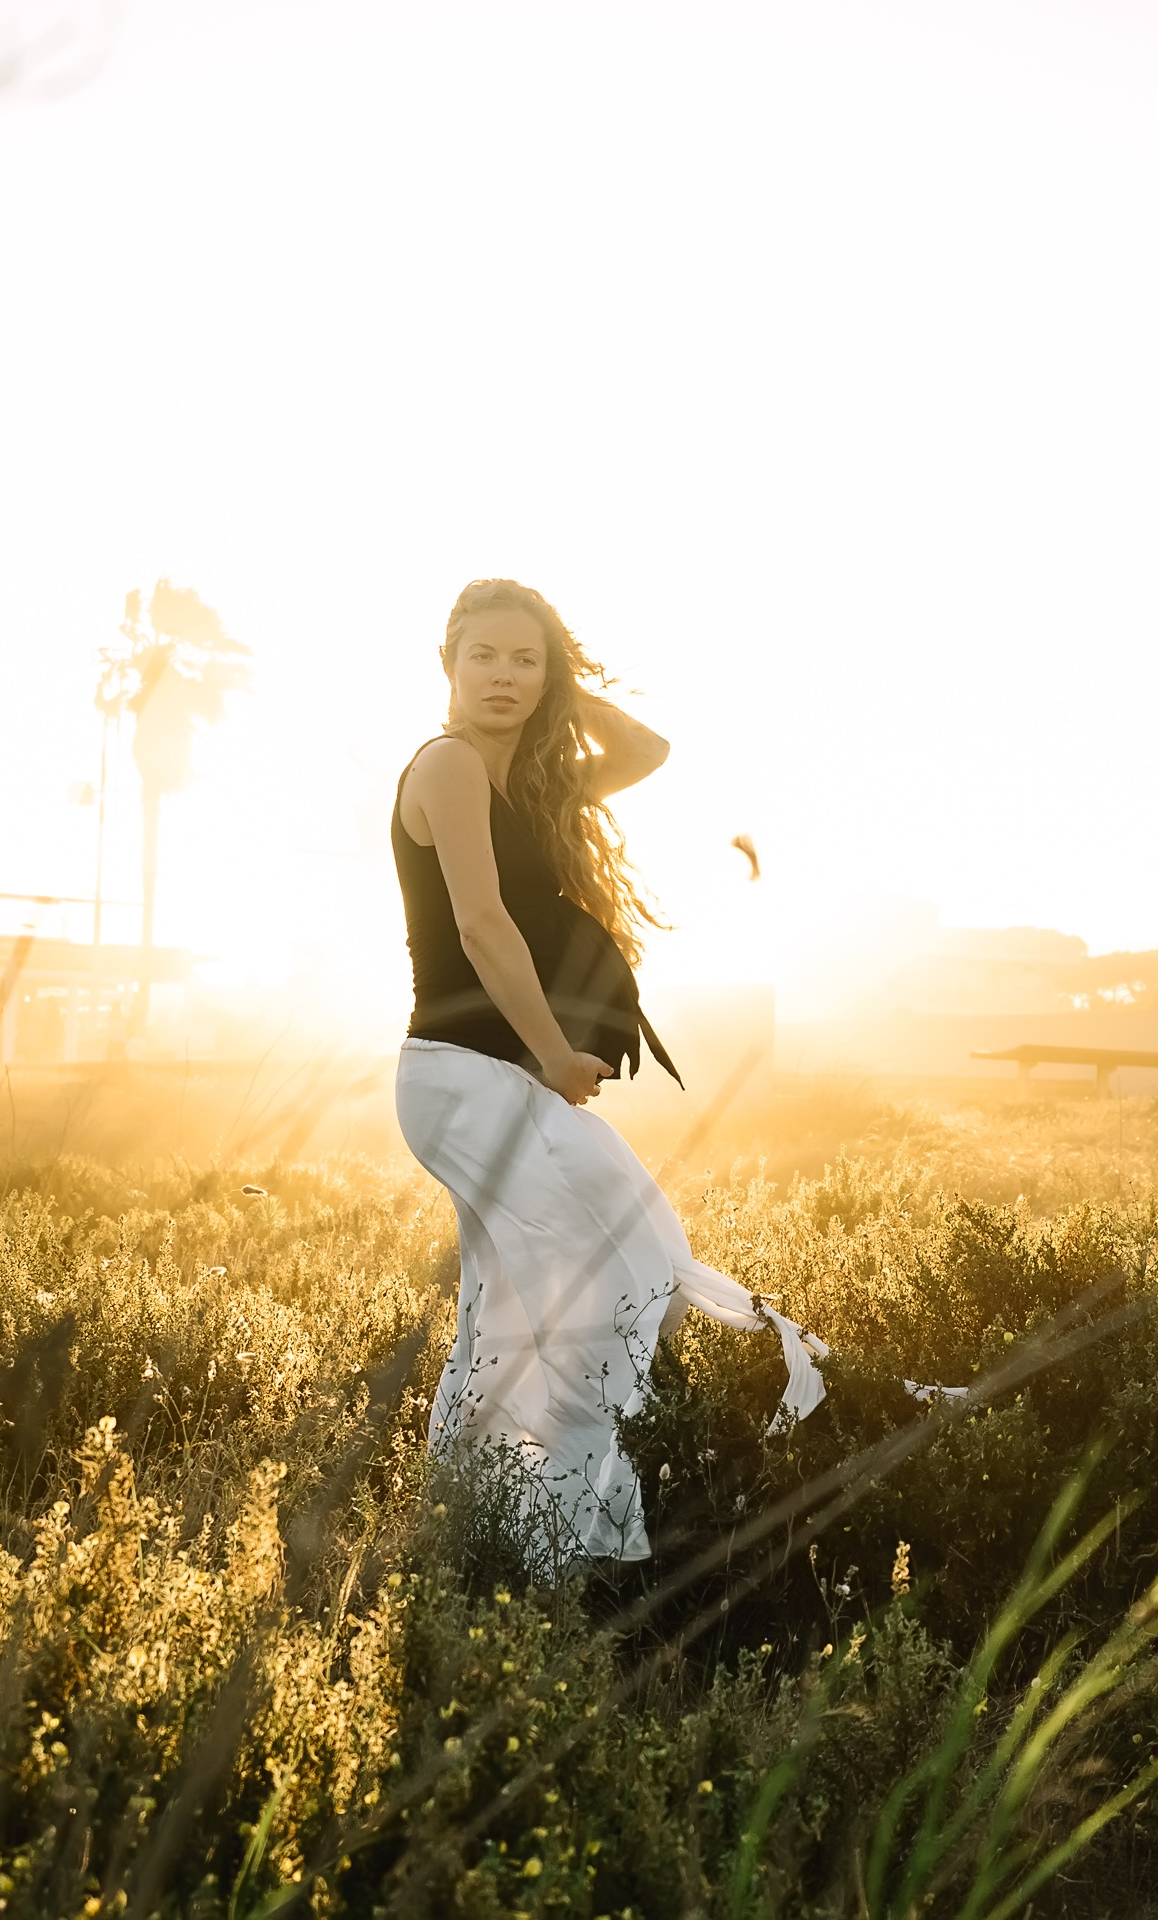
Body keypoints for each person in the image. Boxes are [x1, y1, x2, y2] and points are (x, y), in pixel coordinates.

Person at [392, 578, 831, 1564]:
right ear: (446, 666)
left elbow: (644, 752)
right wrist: (554, 1053)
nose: (502, 676)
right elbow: (480, 923)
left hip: (488, 1080)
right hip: (465, 1076)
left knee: (527, 1294)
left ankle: (480, 1520)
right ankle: (562, 1537)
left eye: (525, 660)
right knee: (614, 1277)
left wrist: (564, 685)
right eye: (482, 657)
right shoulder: (450, 765)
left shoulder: (529, 784)